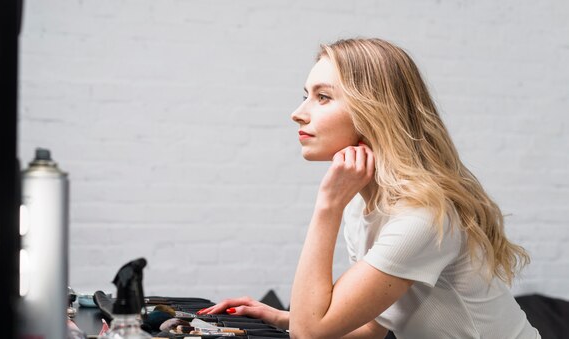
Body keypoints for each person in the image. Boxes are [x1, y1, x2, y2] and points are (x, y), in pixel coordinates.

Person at [198, 38, 540, 338]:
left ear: (374, 111)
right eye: (306, 96)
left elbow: (310, 333)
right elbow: (372, 327)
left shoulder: (422, 218)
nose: (297, 114)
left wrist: (327, 206)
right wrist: (281, 318)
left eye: (323, 97)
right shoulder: (364, 207)